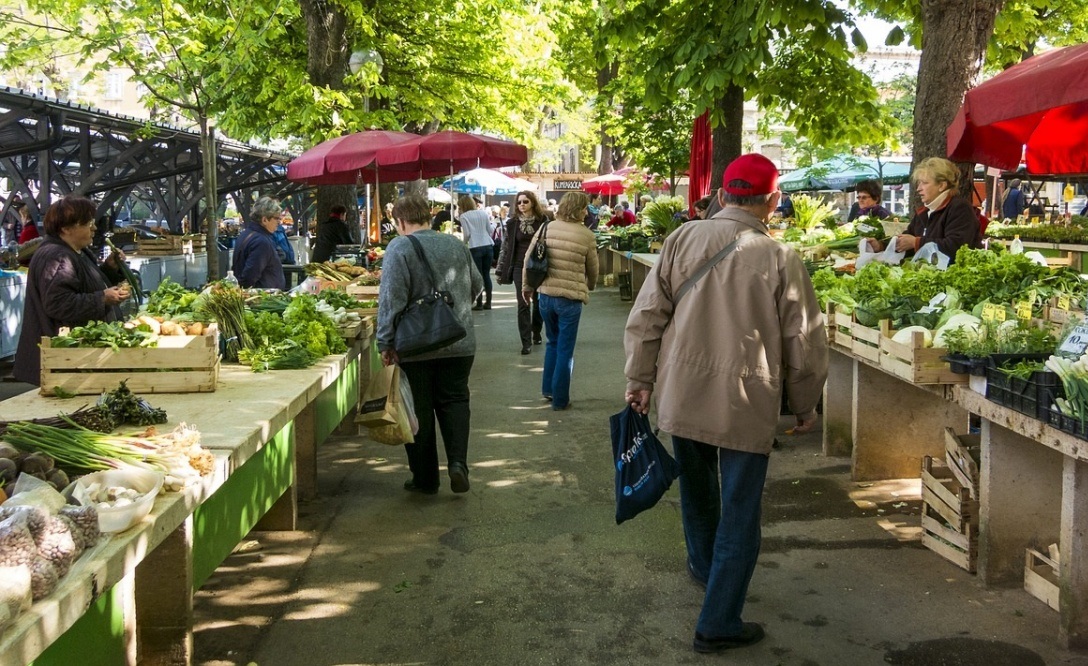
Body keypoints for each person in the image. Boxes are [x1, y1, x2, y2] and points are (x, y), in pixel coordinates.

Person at [623, 153, 828, 654]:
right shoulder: (781, 258)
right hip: (745, 400)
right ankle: (718, 620)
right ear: (774, 202)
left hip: (683, 391)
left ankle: (704, 567)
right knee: (740, 511)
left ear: (720, 196)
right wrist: (804, 405)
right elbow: (804, 340)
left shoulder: (681, 239)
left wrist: (639, 378)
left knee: (697, 492)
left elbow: (648, 314)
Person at [376, 195, 484, 495]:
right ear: (428, 215)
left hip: (416, 345)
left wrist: (384, 341)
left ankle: (425, 478)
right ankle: (458, 465)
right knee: (455, 401)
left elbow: (391, 299)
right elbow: (477, 285)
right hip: (459, 340)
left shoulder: (399, 247)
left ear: (399, 221)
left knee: (418, 409)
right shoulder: (455, 244)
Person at [14, 196, 133, 385]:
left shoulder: (75, 251)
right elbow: (59, 304)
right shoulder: (57, 256)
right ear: (66, 228)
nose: (94, 228)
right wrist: (102, 298)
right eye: (87, 223)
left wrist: (110, 268)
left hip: (72, 360)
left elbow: (85, 284)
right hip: (63, 361)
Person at [521, 192, 598, 410]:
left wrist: (527, 287)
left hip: (545, 296)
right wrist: (590, 286)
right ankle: (561, 399)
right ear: (578, 209)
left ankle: (548, 390)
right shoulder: (586, 235)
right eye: (584, 208)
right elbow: (593, 268)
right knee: (565, 349)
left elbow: (529, 258)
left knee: (552, 343)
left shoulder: (547, 228)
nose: (586, 212)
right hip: (570, 299)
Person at [866, 157, 981, 261]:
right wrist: (881, 246)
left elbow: (956, 247)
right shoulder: (925, 212)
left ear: (942, 185)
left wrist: (916, 242)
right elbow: (906, 239)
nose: (918, 189)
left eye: (924, 183)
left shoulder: (959, 208)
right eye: (919, 183)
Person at [232, 196, 286, 289]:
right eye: (277, 218)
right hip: (262, 298)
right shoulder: (261, 242)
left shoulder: (246, 234)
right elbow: (249, 276)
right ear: (264, 220)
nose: (279, 222)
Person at [457, 195, 494, 310]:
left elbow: (467, 234)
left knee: (478, 276)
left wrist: (463, 244)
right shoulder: (483, 213)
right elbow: (490, 230)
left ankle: (479, 303)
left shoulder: (464, 216)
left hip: (475, 246)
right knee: (486, 275)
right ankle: (488, 302)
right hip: (488, 245)